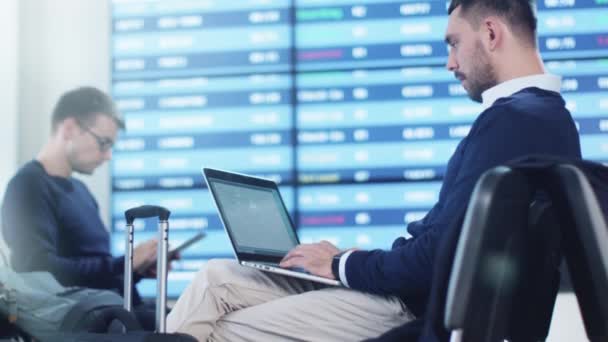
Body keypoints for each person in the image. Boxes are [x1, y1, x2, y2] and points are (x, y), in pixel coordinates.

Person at [166, 0, 582, 340]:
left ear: (491, 34)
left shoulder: (514, 122)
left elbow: (439, 257)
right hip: (401, 291)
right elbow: (451, 243)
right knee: (216, 276)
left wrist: (342, 265)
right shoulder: (543, 119)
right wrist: (350, 260)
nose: (449, 63)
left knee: (221, 330)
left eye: (454, 44)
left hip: (406, 304)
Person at [1, 86, 161, 329]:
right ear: (69, 128)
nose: (107, 156)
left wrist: (136, 270)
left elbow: (96, 274)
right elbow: (36, 272)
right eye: (103, 143)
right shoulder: (27, 186)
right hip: (89, 319)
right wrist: (125, 263)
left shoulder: (81, 192)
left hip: (116, 310)